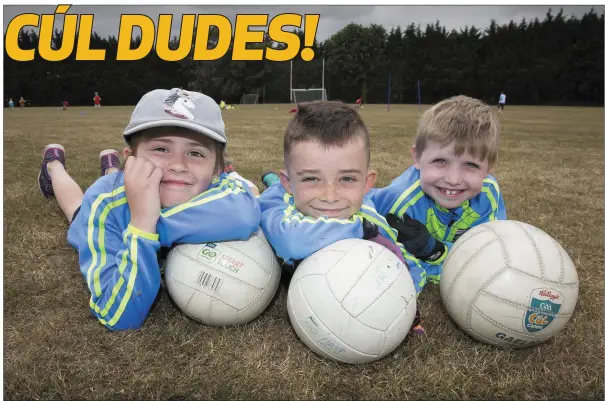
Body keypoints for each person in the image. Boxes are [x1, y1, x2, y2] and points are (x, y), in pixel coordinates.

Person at [36, 88, 261, 331]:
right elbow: (117, 316)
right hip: (103, 203)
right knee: (74, 208)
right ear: (131, 157)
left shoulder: (223, 190)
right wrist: (142, 223)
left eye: (195, 153)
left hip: (133, 184)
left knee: (128, 181)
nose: (177, 165)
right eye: (161, 149)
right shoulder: (105, 202)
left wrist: (157, 225)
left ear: (218, 169)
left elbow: (246, 211)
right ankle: (53, 165)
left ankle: (111, 165)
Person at [259, 101, 427, 335]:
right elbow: (292, 241)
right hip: (278, 193)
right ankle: (270, 181)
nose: (330, 197)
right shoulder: (276, 206)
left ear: (367, 183)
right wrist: (358, 230)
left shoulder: (370, 217)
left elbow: (407, 265)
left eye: (346, 179)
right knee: (268, 189)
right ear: (289, 183)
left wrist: (403, 304)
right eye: (311, 179)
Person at [369, 95, 506, 289]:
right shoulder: (400, 199)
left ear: (489, 168)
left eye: (470, 164)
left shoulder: (488, 194)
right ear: (416, 157)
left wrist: (433, 251)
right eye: (440, 161)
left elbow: (487, 258)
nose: (453, 179)